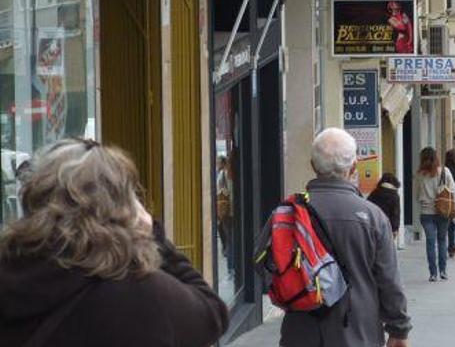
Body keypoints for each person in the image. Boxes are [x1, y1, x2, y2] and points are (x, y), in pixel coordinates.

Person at [0, 138, 229, 347]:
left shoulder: (10, 277)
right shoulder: (140, 293)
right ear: (122, 209)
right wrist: (153, 234)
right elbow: (212, 314)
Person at [282, 128, 411, 346]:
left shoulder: (289, 213)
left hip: (300, 332)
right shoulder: (373, 217)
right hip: (358, 333)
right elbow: (389, 280)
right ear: (353, 168)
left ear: (313, 166)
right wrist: (399, 329)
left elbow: (266, 268)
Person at [417, 147, 455, 281]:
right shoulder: (445, 171)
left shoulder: (420, 174)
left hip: (426, 212)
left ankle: (433, 273)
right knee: (441, 240)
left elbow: (417, 195)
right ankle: (443, 270)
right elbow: (453, 191)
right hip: (443, 211)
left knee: (430, 241)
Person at [368, 173, 402, 239]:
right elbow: (395, 213)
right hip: (387, 225)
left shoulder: (374, 192)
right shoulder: (394, 195)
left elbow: (368, 206)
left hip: (374, 222)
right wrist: (395, 229)